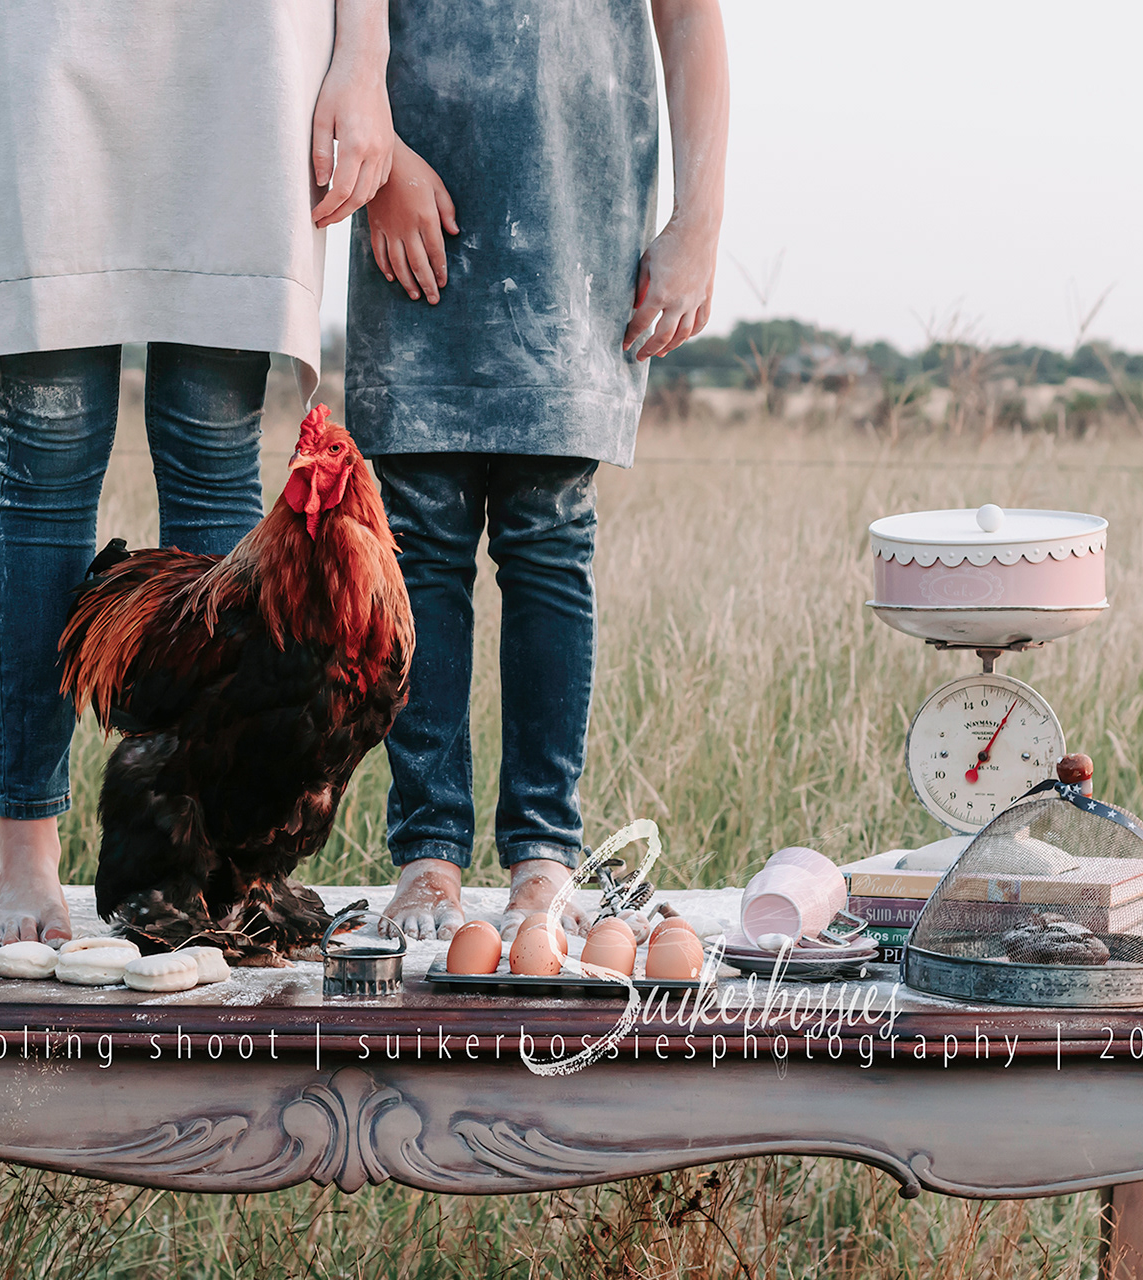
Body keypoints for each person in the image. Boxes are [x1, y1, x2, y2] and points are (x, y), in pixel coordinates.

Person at [0, 0, 397, 944]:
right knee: (46, 460)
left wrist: (362, 60)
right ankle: (26, 855)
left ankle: (212, 869)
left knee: (214, 457)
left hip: (247, 51)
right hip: (36, 40)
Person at [350, 0, 730, 940]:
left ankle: (544, 858)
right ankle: (428, 858)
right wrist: (384, 159)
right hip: (415, 208)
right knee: (420, 542)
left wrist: (701, 222)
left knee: (549, 537)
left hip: (576, 218)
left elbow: (689, 20)